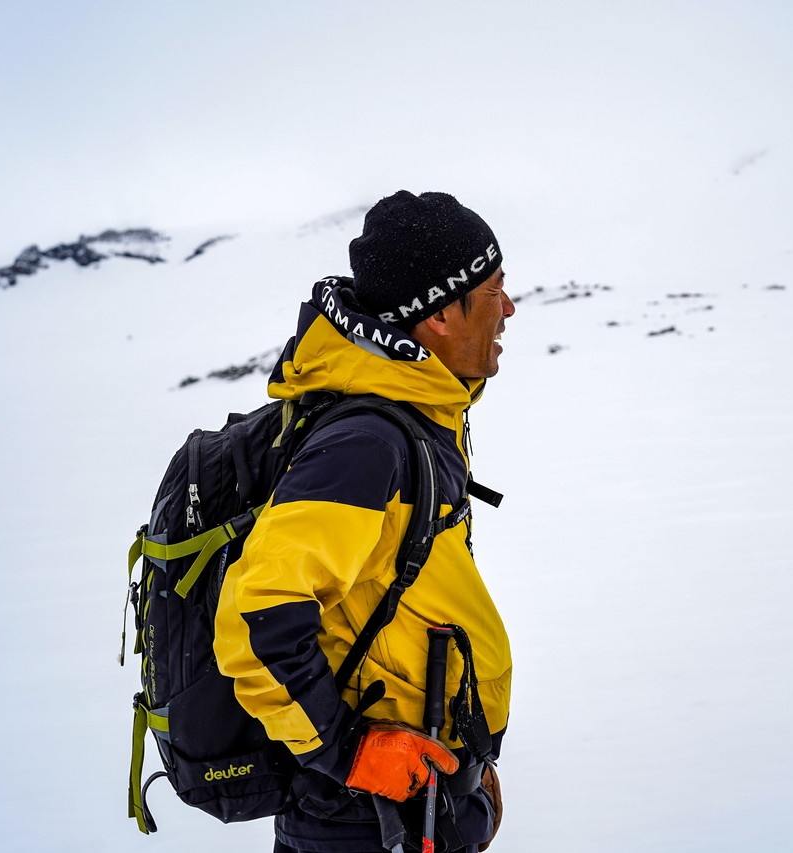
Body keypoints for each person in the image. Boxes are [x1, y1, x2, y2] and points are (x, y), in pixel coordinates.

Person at [214, 191, 515, 853]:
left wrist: (471, 763)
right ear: (439, 312)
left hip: (415, 804)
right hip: (365, 822)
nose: (510, 309)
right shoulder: (368, 443)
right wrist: (350, 751)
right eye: (496, 290)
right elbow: (257, 614)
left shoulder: (419, 414)